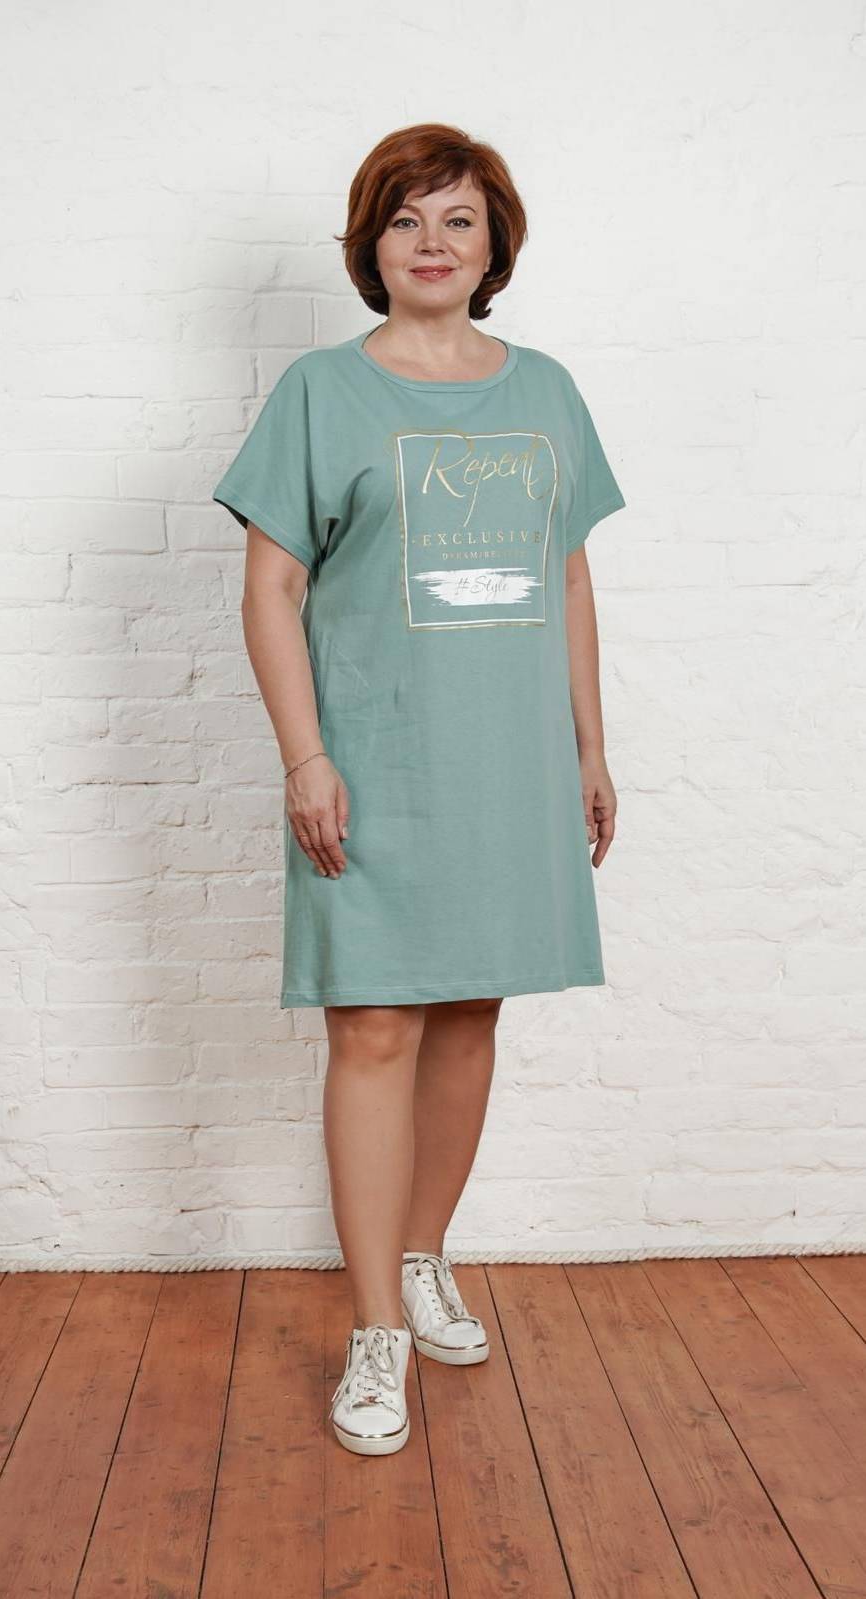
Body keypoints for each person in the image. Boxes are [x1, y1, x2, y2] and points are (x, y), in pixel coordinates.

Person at [212, 122, 626, 1457]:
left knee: (469, 1015)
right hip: (376, 763)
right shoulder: (321, 393)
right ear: (371, 244)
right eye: (406, 219)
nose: (432, 243)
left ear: (494, 244)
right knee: (374, 1028)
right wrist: (305, 756)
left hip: (509, 761)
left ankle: (426, 1252)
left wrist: (589, 747)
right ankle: (376, 1331)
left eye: (458, 219)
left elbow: (568, 575)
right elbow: (271, 588)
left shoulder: (547, 391)